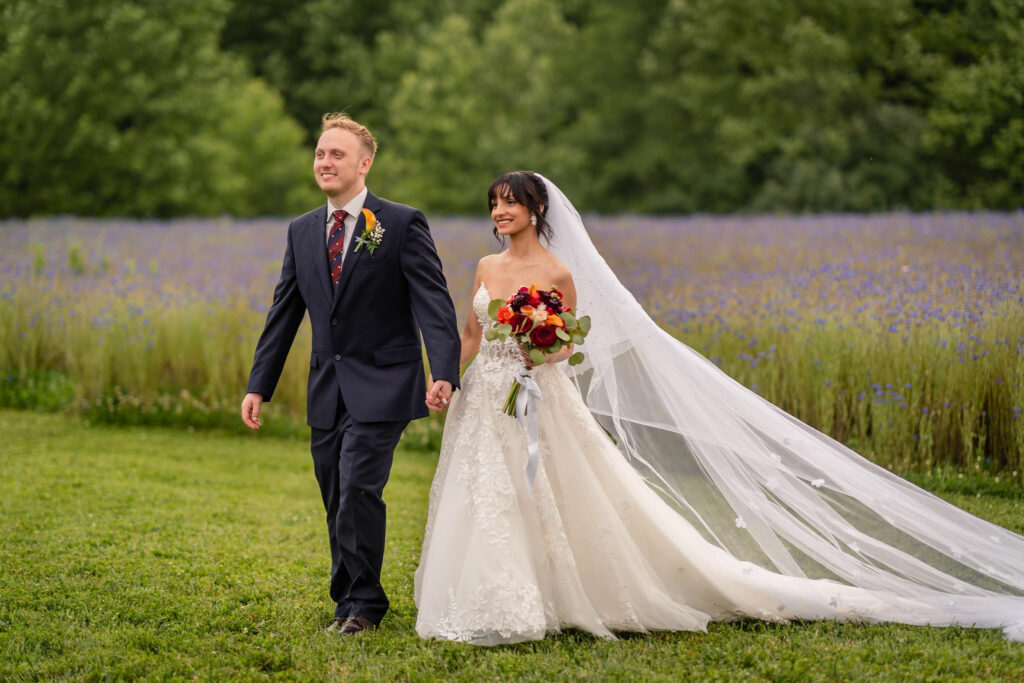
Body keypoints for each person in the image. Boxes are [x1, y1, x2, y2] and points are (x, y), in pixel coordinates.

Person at [413, 171, 1024, 646]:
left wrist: (538, 349)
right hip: (486, 394)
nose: (500, 211)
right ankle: (489, 596)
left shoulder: (558, 272)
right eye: (494, 202)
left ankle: (558, 595)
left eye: (511, 201)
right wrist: (448, 380)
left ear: (536, 209)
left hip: (539, 397)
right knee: (486, 493)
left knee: (556, 491)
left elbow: (572, 342)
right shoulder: (487, 265)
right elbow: (471, 331)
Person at [243, 113, 460, 635]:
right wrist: (258, 384)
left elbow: (433, 303)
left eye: (336, 154)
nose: (325, 162)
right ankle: (347, 601)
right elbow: (284, 312)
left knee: (359, 484)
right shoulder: (301, 230)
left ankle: (364, 607)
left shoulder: (401, 223)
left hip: (386, 381)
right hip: (327, 386)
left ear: (364, 164)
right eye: (320, 153)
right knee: (335, 492)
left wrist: (445, 371)